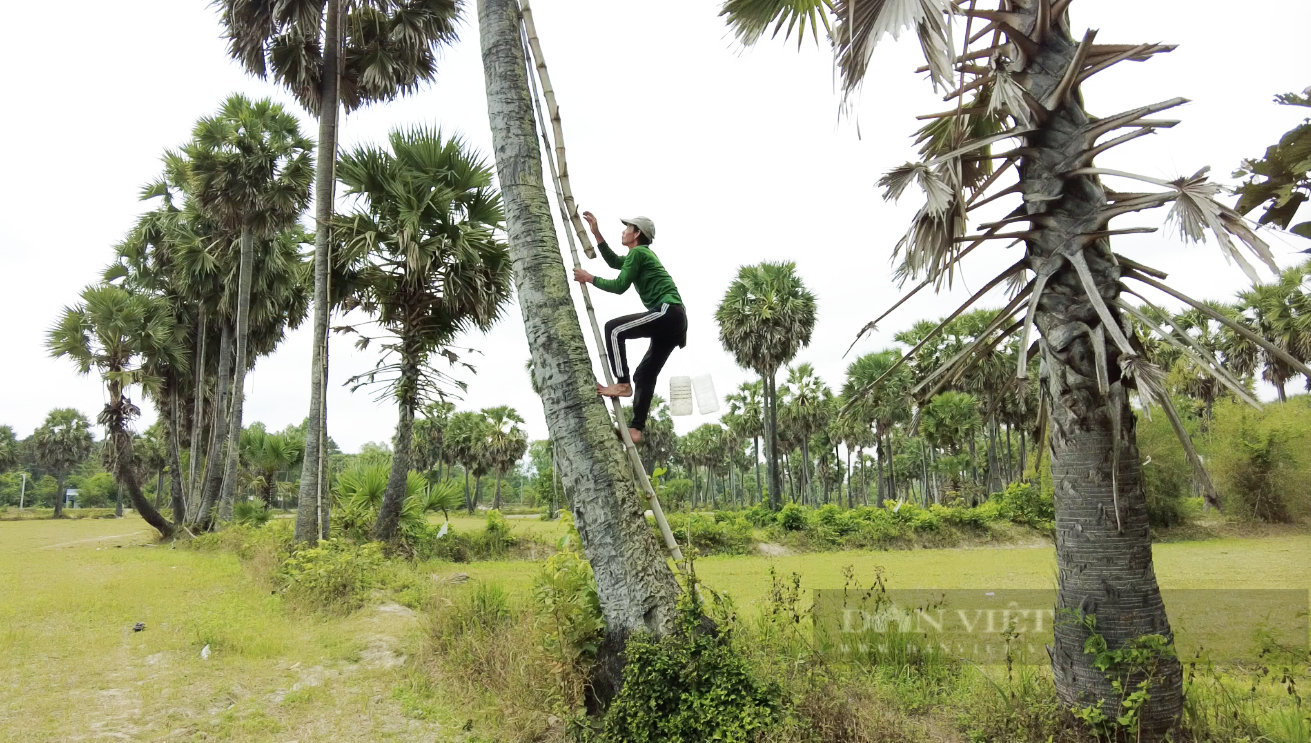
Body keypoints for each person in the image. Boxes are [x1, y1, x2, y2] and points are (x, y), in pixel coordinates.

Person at [572, 211, 686, 444]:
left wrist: (589, 278)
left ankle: (622, 383)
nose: (623, 232)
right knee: (644, 374)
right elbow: (615, 263)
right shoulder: (637, 256)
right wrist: (596, 234)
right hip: (674, 322)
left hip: (668, 311)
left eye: (627, 228)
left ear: (637, 234)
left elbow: (620, 286)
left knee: (614, 329)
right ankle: (636, 430)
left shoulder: (639, 253)